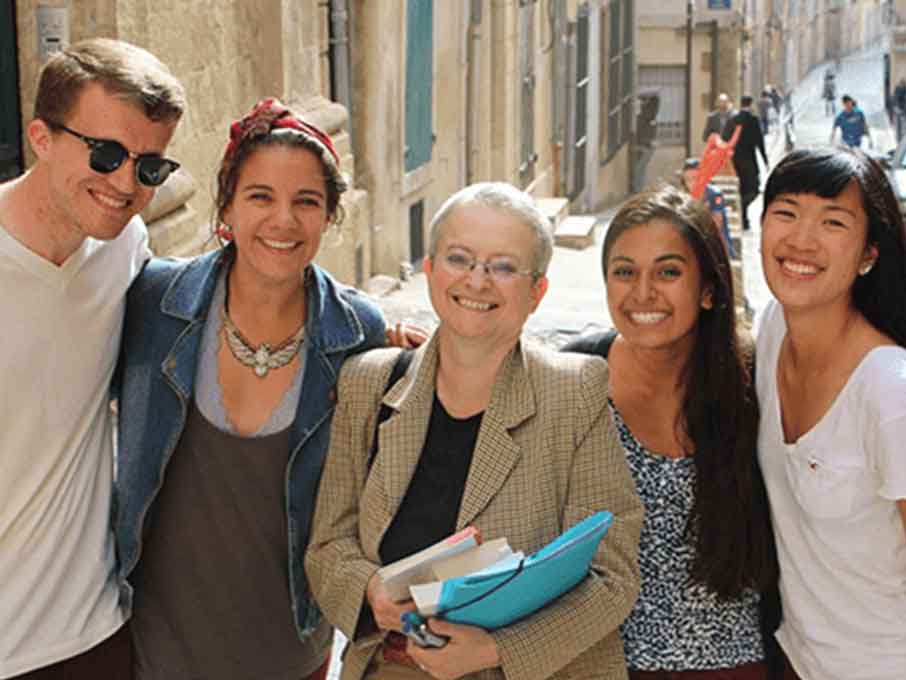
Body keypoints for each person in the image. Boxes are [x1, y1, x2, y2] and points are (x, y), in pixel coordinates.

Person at [114, 99, 420, 680]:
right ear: (226, 205)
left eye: (306, 201)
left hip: (290, 652)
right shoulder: (155, 304)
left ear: (330, 216)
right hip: (150, 648)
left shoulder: (358, 335)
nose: (283, 220)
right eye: (260, 197)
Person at [306, 182, 644, 680]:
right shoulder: (369, 382)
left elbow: (612, 576)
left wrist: (493, 650)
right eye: (459, 258)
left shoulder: (573, 393)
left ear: (538, 292)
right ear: (430, 269)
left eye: (504, 267)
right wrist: (369, 593)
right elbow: (328, 546)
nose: (478, 281)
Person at [0, 39, 185, 679]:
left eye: (150, 167)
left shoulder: (124, 244)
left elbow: (219, 299)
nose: (124, 185)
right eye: (105, 154)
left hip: (94, 634)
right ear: (41, 138)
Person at [563, 185, 780, 680]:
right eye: (624, 272)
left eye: (668, 272)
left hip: (734, 666)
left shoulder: (756, 379)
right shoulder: (573, 377)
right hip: (601, 666)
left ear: (708, 289)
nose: (643, 293)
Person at [756, 147, 906, 679]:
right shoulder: (773, 329)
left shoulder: (889, 392)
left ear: (869, 253)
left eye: (833, 221)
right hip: (797, 658)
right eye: (786, 211)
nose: (801, 238)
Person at [680, 157, 736, 259]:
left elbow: (716, 223)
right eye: (688, 180)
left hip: (716, 246)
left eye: (695, 178)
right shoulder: (684, 197)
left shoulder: (714, 194)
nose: (692, 183)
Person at [726, 95, 768, 232]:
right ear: (750, 104)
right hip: (749, 161)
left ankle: (743, 215)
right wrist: (765, 159)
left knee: (741, 189)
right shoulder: (754, 120)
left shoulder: (732, 120)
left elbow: (725, 139)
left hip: (735, 161)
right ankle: (744, 214)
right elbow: (760, 142)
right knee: (753, 189)